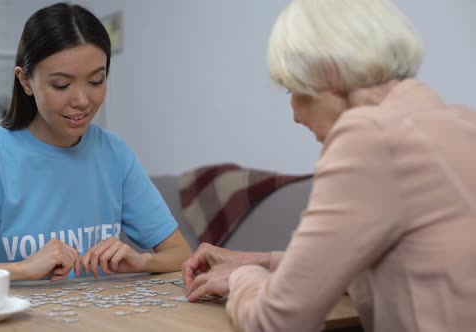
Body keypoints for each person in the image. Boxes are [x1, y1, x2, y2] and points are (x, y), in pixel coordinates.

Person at [181, 0, 476, 331]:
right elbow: (404, 262)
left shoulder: (370, 136)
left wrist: (243, 278)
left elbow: (277, 322)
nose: (294, 113)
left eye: (294, 89)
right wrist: (261, 261)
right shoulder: (463, 122)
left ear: (329, 71)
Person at [0, 2, 191, 290]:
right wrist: (21, 269)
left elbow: (180, 254)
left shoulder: (116, 155)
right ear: (26, 81)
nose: (83, 100)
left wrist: (140, 261)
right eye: (61, 85)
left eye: (96, 81)